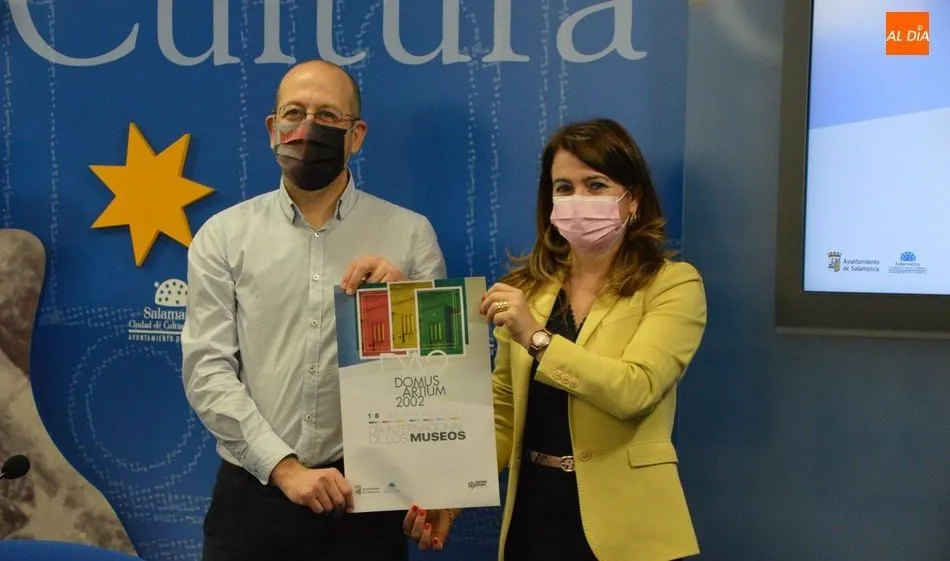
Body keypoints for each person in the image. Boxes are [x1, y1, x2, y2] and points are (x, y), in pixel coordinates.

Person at [404, 118, 707, 561]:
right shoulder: (528, 288)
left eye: (596, 184)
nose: (578, 200)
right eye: (563, 188)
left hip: (629, 529)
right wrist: (451, 497)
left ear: (633, 200)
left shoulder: (672, 285)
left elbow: (635, 389)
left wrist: (537, 338)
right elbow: (505, 412)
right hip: (534, 517)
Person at [181, 60, 446, 561]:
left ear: (357, 134)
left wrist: (407, 301)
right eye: (294, 113)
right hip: (252, 500)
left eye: (328, 117)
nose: (306, 129)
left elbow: (436, 377)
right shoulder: (224, 235)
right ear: (271, 128)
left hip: (368, 504)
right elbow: (207, 370)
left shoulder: (410, 235)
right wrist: (284, 468)